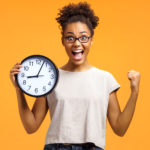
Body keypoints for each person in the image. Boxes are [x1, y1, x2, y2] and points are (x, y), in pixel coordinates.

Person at [10, 2, 141, 150]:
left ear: (91, 40)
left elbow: (120, 128)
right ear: (63, 41)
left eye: (83, 37)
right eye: (70, 38)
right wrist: (19, 89)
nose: (77, 43)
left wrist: (134, 92)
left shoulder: (105, 79)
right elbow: (31, 126)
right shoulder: (50, 76)